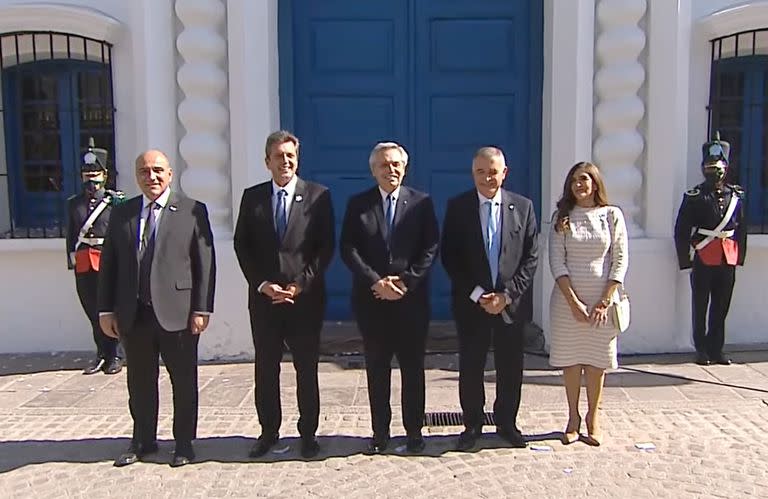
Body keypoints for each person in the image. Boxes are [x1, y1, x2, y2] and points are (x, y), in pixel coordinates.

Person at [98, 150, 216, 468]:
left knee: (183, 380)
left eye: (157, 170)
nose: (151, 176)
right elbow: (109, 263)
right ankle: (143, 440)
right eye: (144, 171)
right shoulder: (123, 213)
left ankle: (183, 443)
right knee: (139, 381)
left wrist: (202, 309)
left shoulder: (192, 211)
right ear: (136, 176)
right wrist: (105, 310)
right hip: (133, 313)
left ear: (170, 173)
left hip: (178, 312)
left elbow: (204, 264)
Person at [234, 130, 335, 459]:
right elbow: (242, 245)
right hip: (265, 301)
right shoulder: (252, 198)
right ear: (267, 162)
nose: (285, 162)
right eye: (279, 156)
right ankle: (268, 432)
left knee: (306, 369)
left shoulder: (318, 196)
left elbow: (324, 248)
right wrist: (261, 284)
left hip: (303, 301)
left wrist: (300, 284)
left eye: (290, 156)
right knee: (266, 369)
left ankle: (308, 435)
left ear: (297, 159)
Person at [340, 142, 439, 454]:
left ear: (405, 167)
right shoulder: (358, 204)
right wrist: (376, 281)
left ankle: (414, 432)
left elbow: (430, 247)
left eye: (396, 164)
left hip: (411, 302)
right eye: (384, 165)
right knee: (377, 369)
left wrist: (406, 281)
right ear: (374, 170)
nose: (391, 169)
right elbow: (349, 248)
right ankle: (380, 432)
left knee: (413, 370)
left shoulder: (421, 203)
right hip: (373, 302)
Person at [441, 146, 539, 451]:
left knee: (510, 367)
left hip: (510, 306)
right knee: (471, 366)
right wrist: (479, 295)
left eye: (493, 171)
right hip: (473, 304)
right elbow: (450, 256)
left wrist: (507, 296)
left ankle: (507, 423)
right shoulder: (458, 208)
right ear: (473, 174)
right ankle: (472, 425)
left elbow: (531, 258)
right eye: (481, 172)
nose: (487, 178)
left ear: (504, 173)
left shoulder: (523, 207)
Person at [548, 161, 628, 447]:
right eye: (574, 181)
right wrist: (573, 302)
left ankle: (594, 418)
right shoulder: (563, 217)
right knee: (571, 362)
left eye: (584, 180)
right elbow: (557, 261)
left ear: (595, 183)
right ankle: (572, 418)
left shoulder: (611, 215)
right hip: (568, 303)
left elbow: (619, 259)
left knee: (596, 363)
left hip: (601, 303)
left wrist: (604, 300)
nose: (579, 185)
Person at [674, 133, 747, 366]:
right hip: (704, 256)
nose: (714, 172)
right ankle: (701, 349)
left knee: (721, 305)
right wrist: (684, 260)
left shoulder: (735, 195)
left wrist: (740, 257)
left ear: (725, 168)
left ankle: (717, 349)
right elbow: (682, 230)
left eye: (718, 167)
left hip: (727, 256)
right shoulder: (695, 196)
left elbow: (741, 229)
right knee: (701, 304)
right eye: (709, 167)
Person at [66, 138, 124, 375]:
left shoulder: (114, 202)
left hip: (105, 259)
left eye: (95, 172)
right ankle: (102, 353)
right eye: (86, 172)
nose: (91, 177)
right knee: (92, 309)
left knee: (110, 308)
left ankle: (116, 355)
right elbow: (72, 234)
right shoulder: (74, 204)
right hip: (83, 262)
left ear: (105, 174)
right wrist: (71, 260)